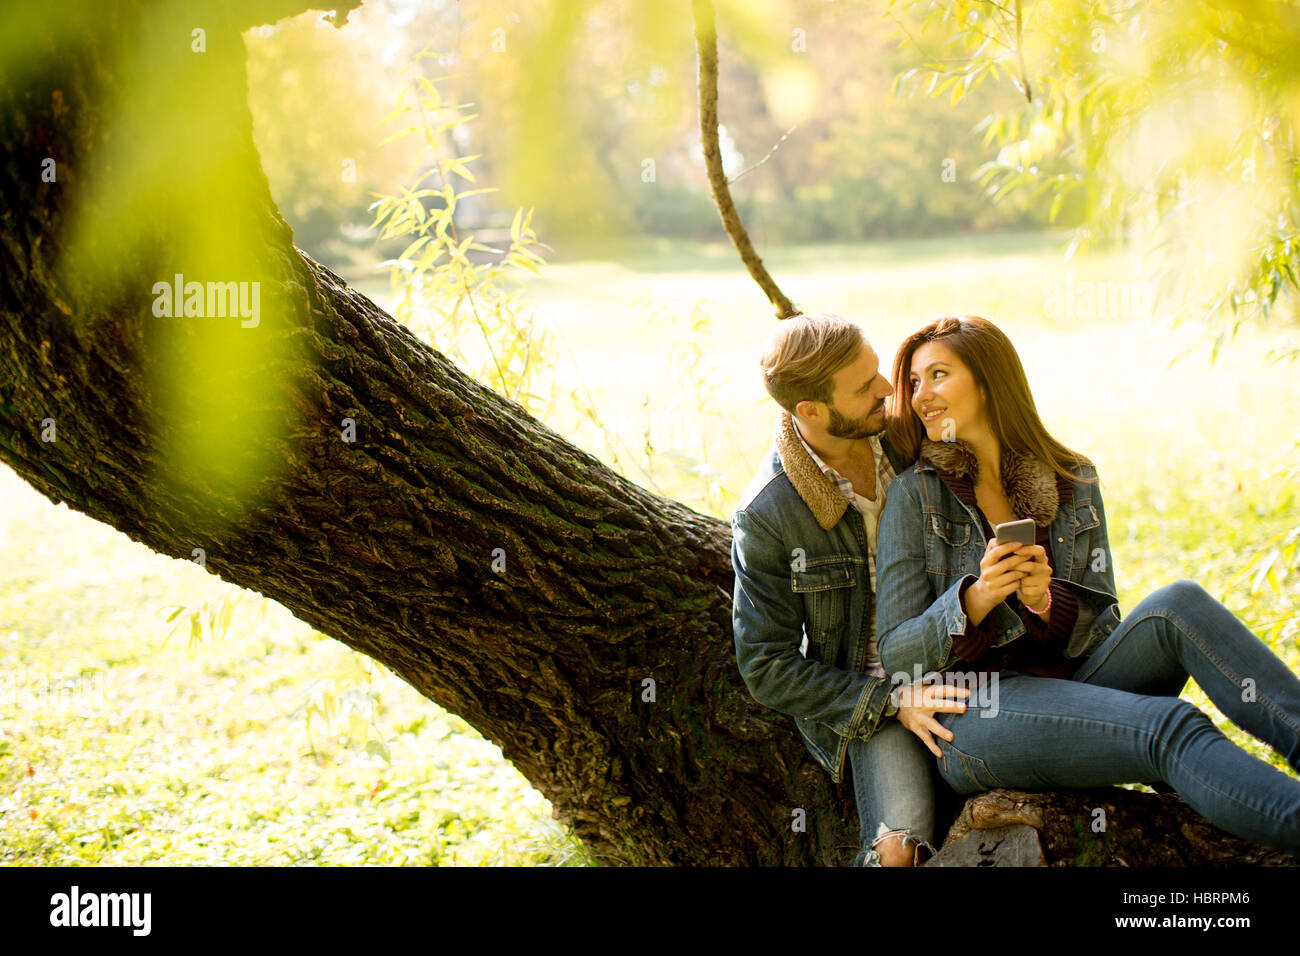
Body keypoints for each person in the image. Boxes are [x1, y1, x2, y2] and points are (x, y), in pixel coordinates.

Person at [874, 314, 1300, 855]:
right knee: (1166, 725)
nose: (919, 395)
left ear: (989, 380)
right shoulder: (917, 495)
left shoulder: (1072, 477)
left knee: (1178, 604)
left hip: (1078, 688)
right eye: (912, 382)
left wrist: (1044, 603)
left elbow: (1103, 630)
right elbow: (896, 651)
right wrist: (976, 598)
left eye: (937, 375)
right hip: (977, 719)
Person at [731, 312, 970, 867]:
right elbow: (766, 665)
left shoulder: (910, 437)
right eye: (865, 387)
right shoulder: (767, 514)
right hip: (871, 689)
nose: (890, 390)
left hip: (959, 649)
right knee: (898, 850)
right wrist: (891, 701)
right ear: (810, 411)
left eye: (878, 371)